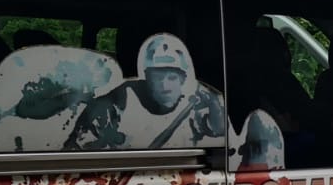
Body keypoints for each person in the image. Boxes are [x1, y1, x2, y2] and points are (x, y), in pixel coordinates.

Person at [67, 32, 226, 151]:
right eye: (157, 78)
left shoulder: (197, 101)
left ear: (183, 80)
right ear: (146, 78)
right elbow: (78, 153)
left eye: (172, 78)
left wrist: (214, 108)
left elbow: (219, 134)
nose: (165, 85)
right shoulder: (111, 106)